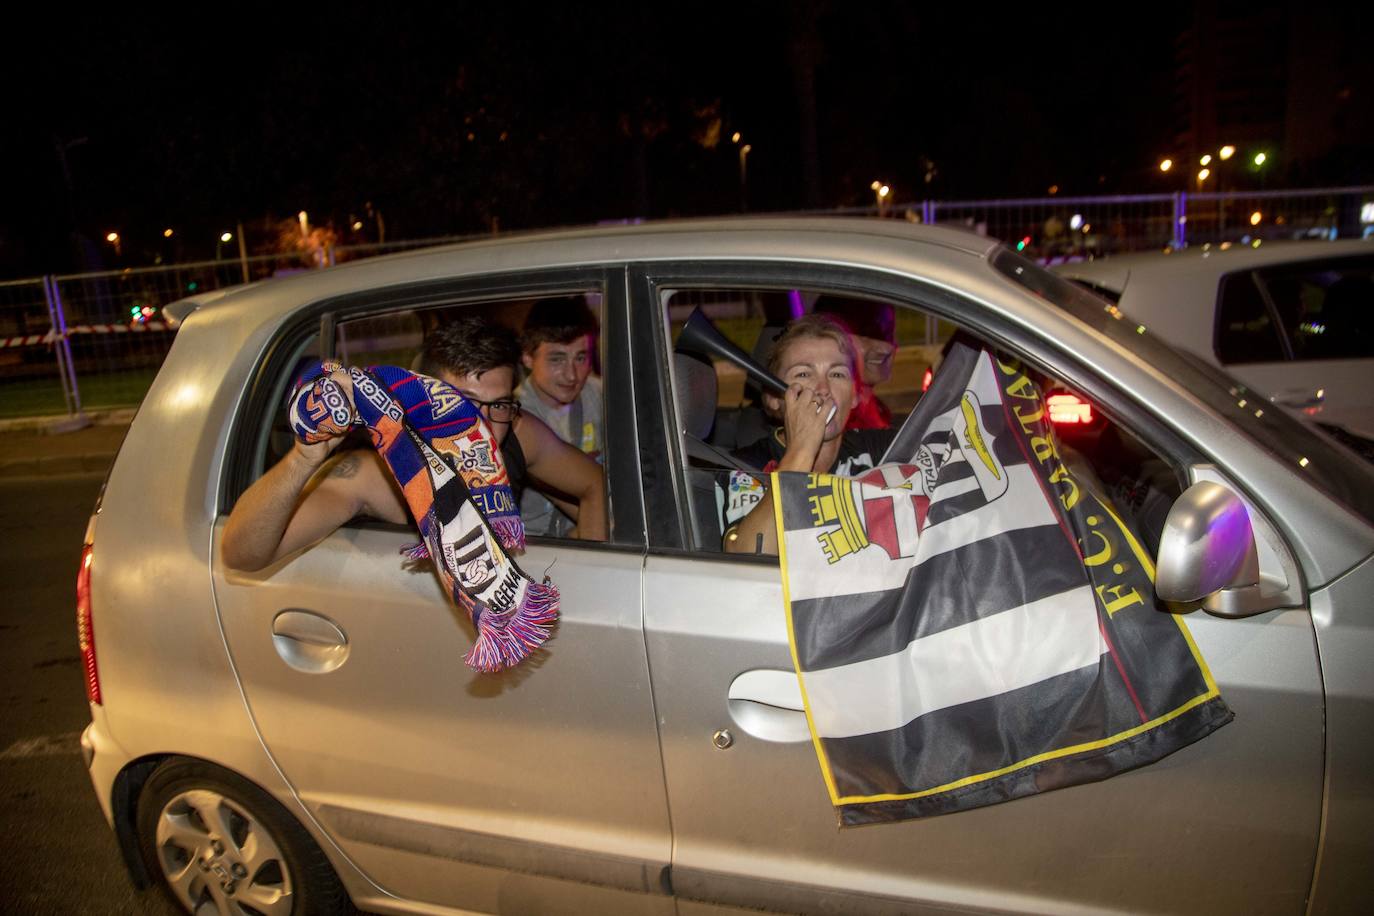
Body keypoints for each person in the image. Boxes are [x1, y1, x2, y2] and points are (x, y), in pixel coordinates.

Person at [222, 315, 607, 572]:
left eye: (497, 404)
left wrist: (598, 580)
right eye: (460, 406)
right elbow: (243, 555)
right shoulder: (376, 473)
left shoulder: (514, 427)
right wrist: (304, 459)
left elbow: (594, 484)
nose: (482, 426)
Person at [724, 314, 896, 555]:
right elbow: (749, 556)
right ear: (774, 399)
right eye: (803, 374)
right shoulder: (745, 467)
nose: (823, 389)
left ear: (856, 395)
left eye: (837, 374)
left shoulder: (882, 451)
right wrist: (802, 450)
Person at [515, 296, 606, 536]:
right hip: (538, 545)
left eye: (581, 358)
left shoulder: (597, 393)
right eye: (557, 359)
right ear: (527, 357)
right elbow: (589, 504)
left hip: (584, 524)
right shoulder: (516, 418)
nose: (572, 375)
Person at [811, 295, 897, 430]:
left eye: (888, 334)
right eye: (867, 335)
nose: (885, 349)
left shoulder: (879, 410)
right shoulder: (834, 422)